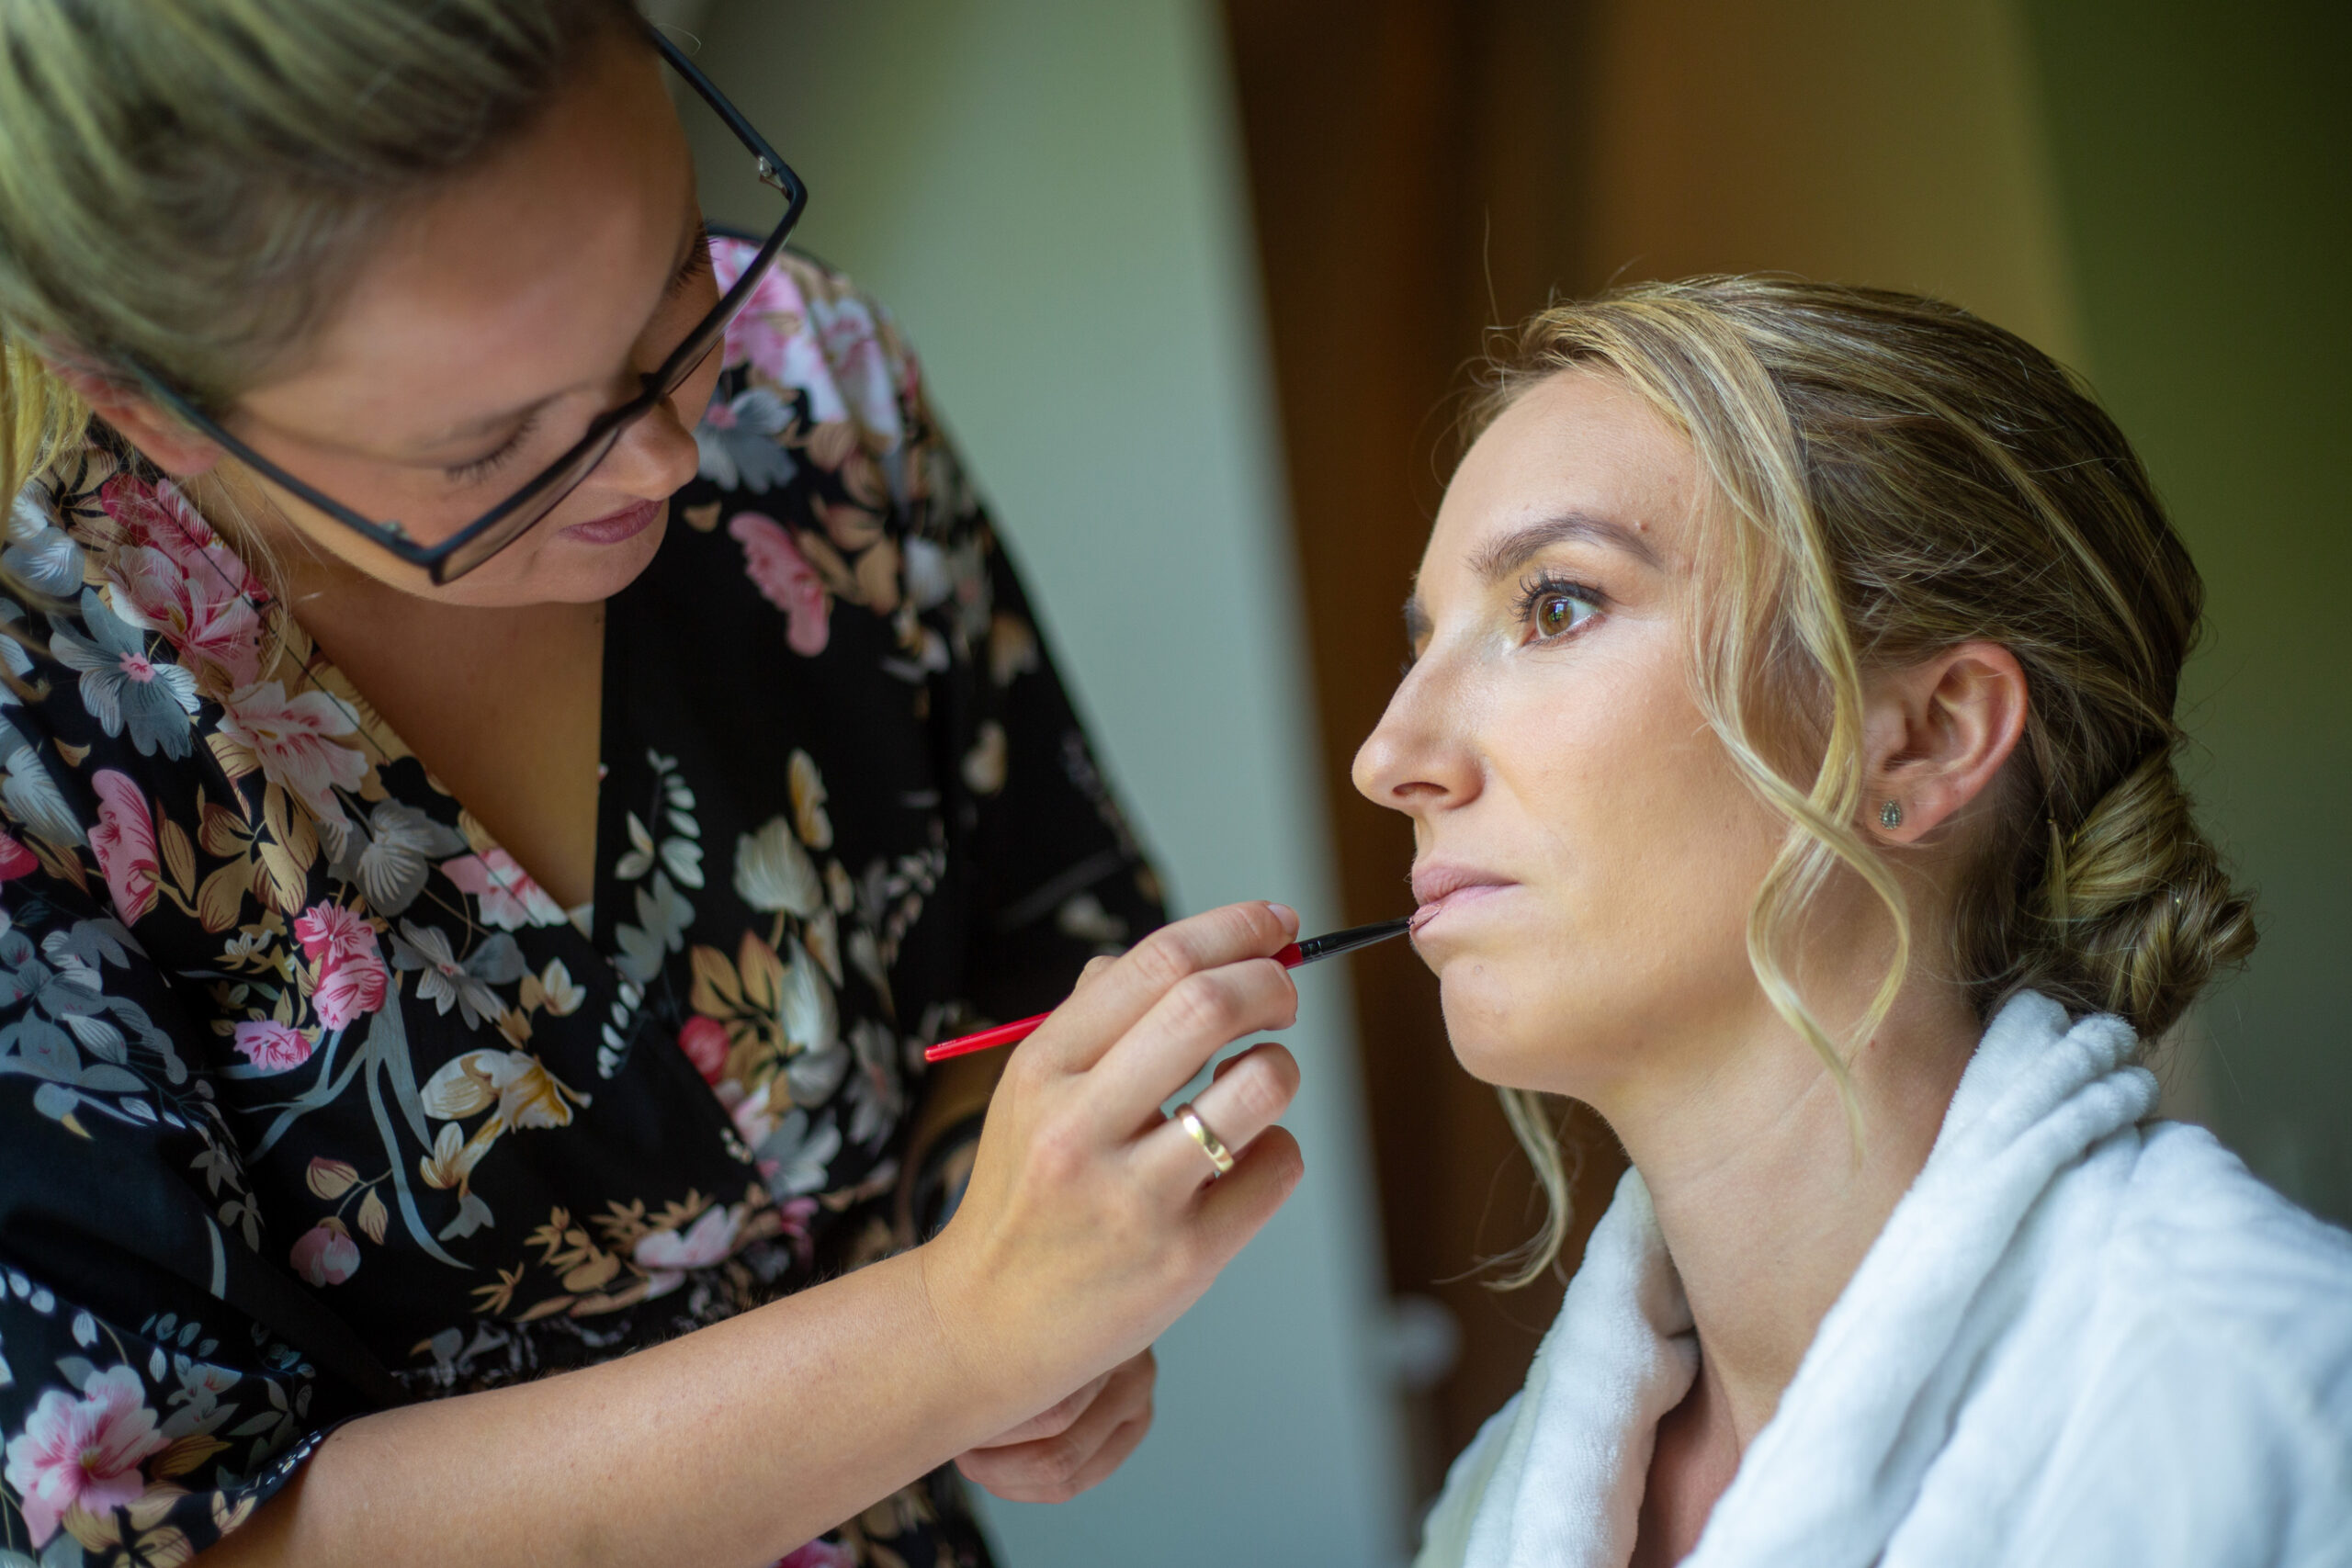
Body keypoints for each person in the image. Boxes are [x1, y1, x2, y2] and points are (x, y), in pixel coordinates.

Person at [0, 3, 1308, 1562]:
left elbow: (1027, 953)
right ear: (155, 406)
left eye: (677, 275)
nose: (667, 460)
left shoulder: (803, 395)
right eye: (495, 447)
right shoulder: (37, 739)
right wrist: (947, 1340)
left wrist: (1002, 1220)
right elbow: (174, 1535)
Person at [1354, 278, 2352, 1567]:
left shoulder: (2285, 1410)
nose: (1389, 758)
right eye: (1423, 644)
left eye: (1555, 606)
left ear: (1925, 736)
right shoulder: (1490, 1512)